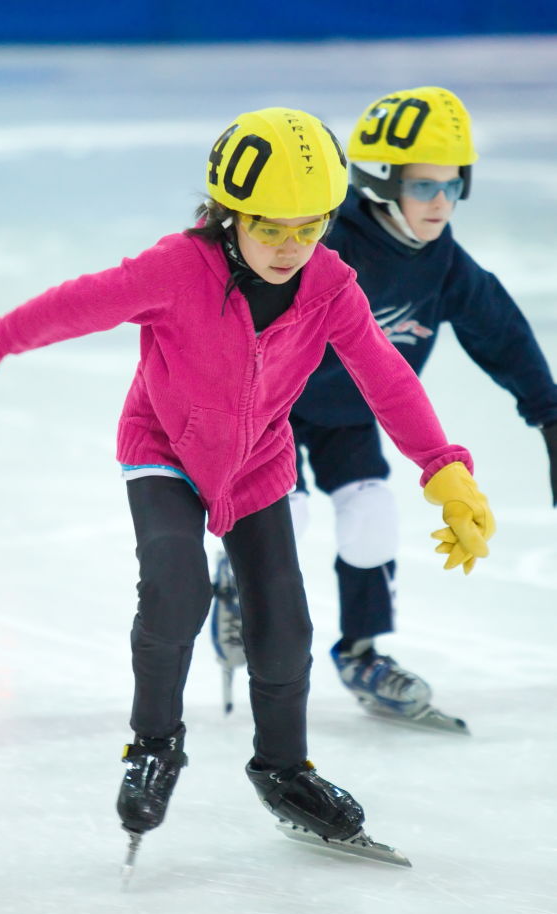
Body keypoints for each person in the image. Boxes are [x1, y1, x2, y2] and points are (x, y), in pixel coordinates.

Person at [0, 107, 495, 866]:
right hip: (166, 450)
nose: (292, 247)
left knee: (283, 628)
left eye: (309, 228)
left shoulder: (328, 283)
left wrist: (443, 468)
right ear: (231, 215)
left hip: (256, 462)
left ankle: (286, 770)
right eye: (272, 228)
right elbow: (74, 305)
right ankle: (154, 745)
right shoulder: (176, 269)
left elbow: (384, 376)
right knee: (175, 583)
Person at [213, 88, 556, 730]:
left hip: (348, 413)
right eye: (425, 187)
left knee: (372, 516)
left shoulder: (443, 261)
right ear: (378, 181)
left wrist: (549, 412)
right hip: (273, 410)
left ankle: (363, 652)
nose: (441, 205)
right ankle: (237, 577)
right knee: (290, 513)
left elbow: (499, 329)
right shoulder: (319, 241)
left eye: (455, 188)